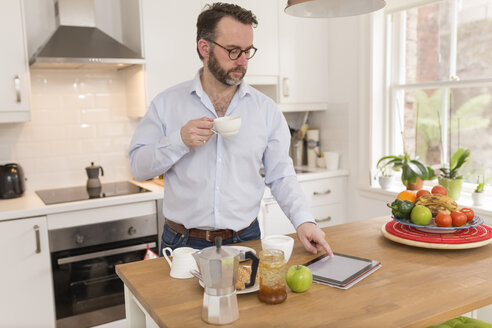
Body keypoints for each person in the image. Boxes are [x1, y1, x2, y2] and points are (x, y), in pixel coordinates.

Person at [129, 2, 333, 257]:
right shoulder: (166, 103)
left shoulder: (266, 110)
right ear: (205, 48)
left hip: (246, 239)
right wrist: (179, 140)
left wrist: (305, 221)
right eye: (234, 51)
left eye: (248, 51)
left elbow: (281, 175)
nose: (243, 61)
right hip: (182, 243)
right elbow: (138, 166)